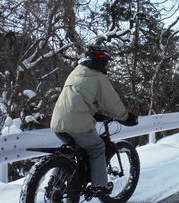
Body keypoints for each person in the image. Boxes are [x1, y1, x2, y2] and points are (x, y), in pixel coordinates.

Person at [50, 45, 138, 195]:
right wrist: (126, 117)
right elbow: (112, 102)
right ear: (102, 61)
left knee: (71, 151)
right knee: (97, 148)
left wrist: (94, 113)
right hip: (77, 123)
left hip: (57, 122)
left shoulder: (76, 72)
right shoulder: (98, 77)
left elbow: (78, 97)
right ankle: (99, 186)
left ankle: (55, 182)